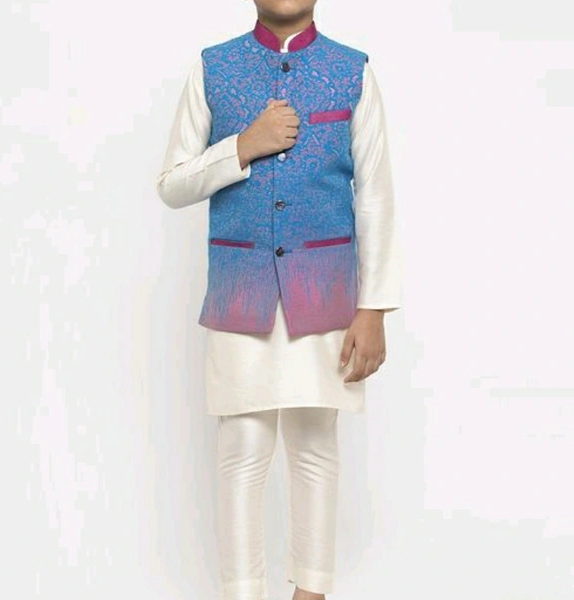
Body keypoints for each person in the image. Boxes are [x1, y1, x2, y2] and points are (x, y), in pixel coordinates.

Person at [156, 1, 403, 599]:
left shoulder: (353, 70)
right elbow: (172, 183)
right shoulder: (212, 68)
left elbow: (375, 192)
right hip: (240, 290)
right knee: (241, 448)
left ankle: (310, 593)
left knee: (315, 443)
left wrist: (374, 307)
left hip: (325, 290)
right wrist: (242, 146)